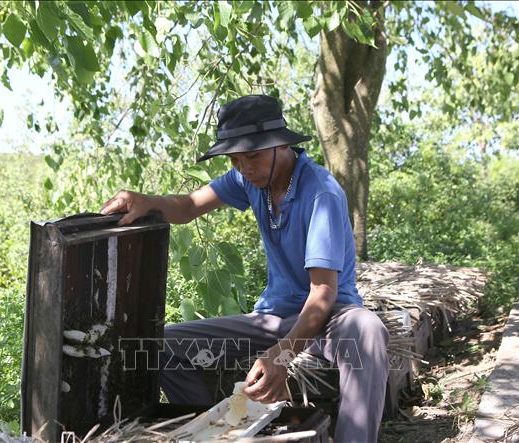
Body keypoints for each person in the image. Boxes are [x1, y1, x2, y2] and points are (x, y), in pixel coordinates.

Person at [101, 95, 389, 442]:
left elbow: (323, 294)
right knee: (158, 344)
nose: (245, 168)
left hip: (332, 319)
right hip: (272, 319)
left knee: (368, 330)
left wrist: (281, 357)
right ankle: (223, 430)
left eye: (252, 156)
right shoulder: (247, 181)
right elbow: (188, 206)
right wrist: (148, 201)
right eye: (236, 160)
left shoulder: (320, 193)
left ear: (281, 144)